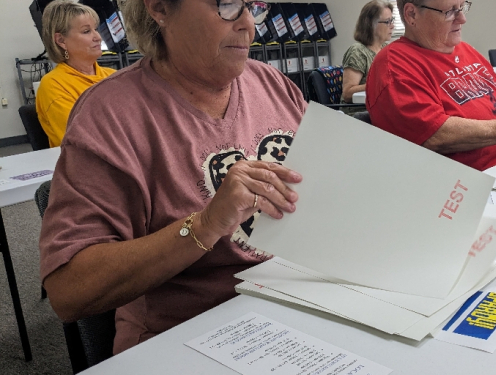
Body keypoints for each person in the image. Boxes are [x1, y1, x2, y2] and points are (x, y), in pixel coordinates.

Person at [39, 0, 306, 354]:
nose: (248, 23)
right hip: (193, 336)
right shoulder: (111, 115)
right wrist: (206, 224)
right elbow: (68, 290)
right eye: (226, 4)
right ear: (160, 8)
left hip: (297, 309)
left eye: (253, 5)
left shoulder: (271, 84)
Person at [366, 0, 496, 172]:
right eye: (450, 12)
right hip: (471, 186)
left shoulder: (464, 50)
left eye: (462, 7)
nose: (462, 19)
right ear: (411, 14)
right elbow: (435, 134)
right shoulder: (394, 66)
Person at [36, 0, 116, 148]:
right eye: (86, 31)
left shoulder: (114, 76)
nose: (97, 37)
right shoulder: (53, 85)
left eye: (95, 29)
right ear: (61, 40)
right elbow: (82, 141)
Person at [341, 0, 394, 104]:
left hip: (381, 108)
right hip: (360, 113)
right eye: (387, 22)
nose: (392, 26)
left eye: (392, 20)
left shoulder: (386, 49)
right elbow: (347, 94)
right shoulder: (357, 52)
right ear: (371, 24)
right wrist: (379, 85)